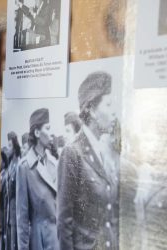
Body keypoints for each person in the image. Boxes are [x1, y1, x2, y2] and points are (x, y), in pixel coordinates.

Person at [57, 71, 119, 250]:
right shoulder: (72, 153)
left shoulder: (103, 151)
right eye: (108, 104)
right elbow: (64, 223)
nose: (114, 111)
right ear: (91, 109)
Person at [16, 108, 59, 250]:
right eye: (48, 128)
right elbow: (22, 219)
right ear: (37, 133)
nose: (51, 133)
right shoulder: (25, 167)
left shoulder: (54, 163)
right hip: (39, 242)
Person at [4, 131, 21, 250]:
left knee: (14, 243)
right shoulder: (10, 165)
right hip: (9, 210)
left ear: (15, 146)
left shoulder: (18, 165)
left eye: (10, 146)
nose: (8, 149)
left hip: (16, 211)